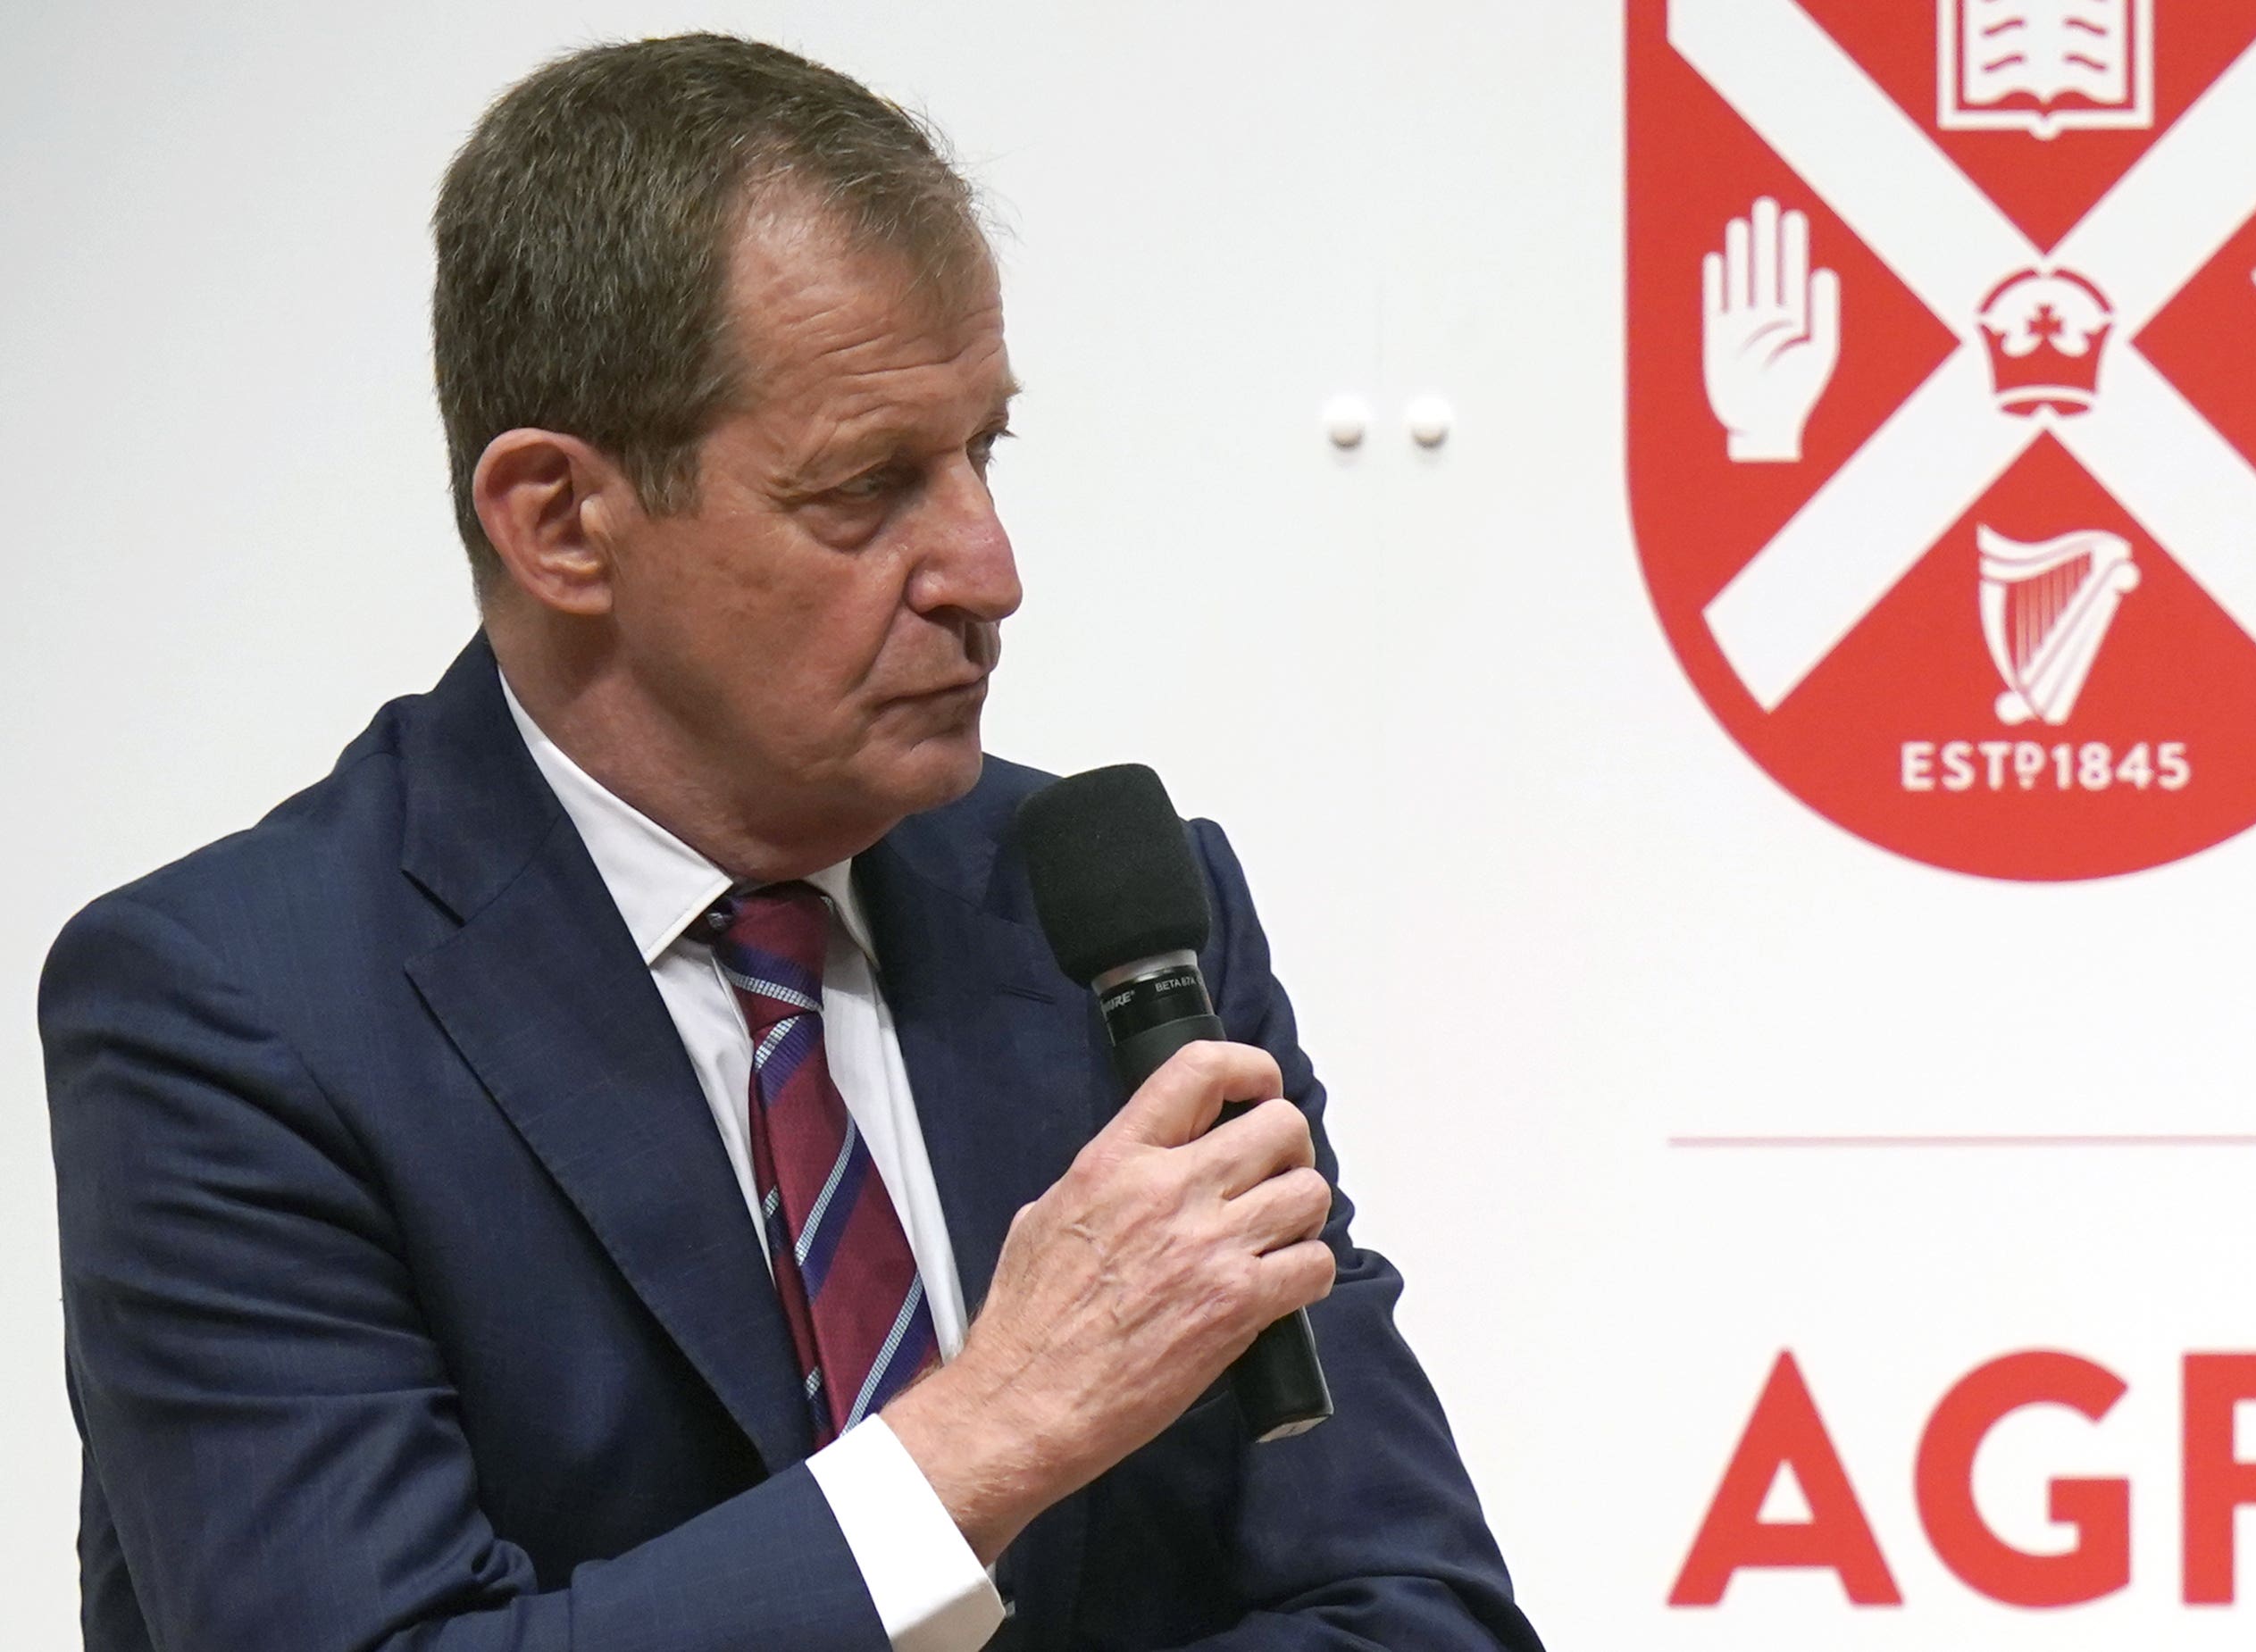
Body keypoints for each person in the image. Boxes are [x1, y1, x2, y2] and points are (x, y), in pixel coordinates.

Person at [40, 34, 1540, 1652]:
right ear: (559, 521)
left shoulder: (1114, 917)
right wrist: (986, 1434)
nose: (988, 566)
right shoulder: (237, 1016)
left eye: (985, 453)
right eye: (866, 487)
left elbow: (1415, 1613)